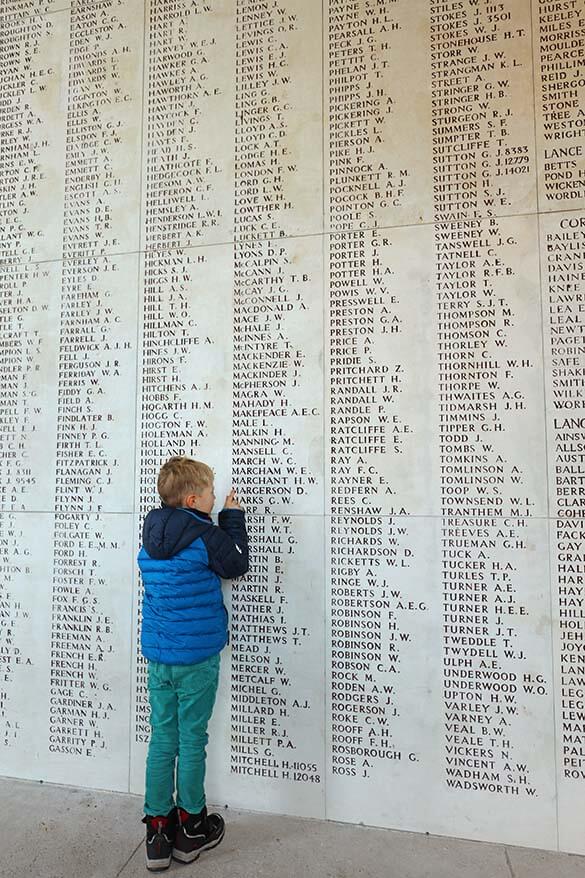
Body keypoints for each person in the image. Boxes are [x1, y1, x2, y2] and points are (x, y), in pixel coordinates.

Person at [138, 456, 248, 871]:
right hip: (197, 660)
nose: (216, 497)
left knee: (162, 741)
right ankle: (192, 827)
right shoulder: (205, 534)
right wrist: (232, 519)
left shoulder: (149, 538)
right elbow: (236, 562)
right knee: (191, 741)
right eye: (211, 494)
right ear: (192, 499)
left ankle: (158, 833)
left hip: (159, 659)